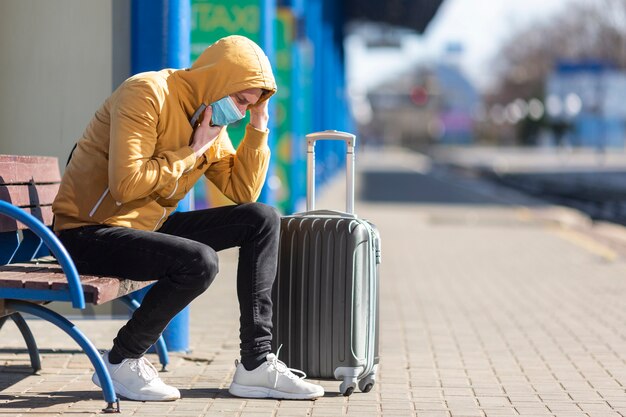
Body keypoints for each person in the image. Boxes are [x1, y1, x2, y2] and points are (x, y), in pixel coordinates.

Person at [52, 35, 324, 401]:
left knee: (261, 218)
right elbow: (125, 186)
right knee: (199, 261)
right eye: (241, 101)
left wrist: (259, 127)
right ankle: (121, 361)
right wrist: (193, 149)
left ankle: (256, 364)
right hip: (87, 232)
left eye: (251, 106)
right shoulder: (148, 92)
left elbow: (243, 192)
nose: (241, 112)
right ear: (217, 81)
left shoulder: (210, 116)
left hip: (144, 228)